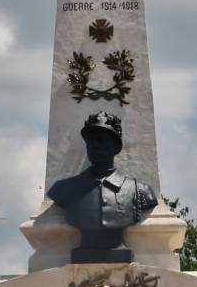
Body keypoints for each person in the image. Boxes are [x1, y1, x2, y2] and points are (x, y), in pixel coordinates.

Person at [47, 111, 158, 263]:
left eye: (101, 139)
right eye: (90, 140)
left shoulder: (140, 191)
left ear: (116, 146)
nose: (94, 145)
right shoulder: (64, 189)